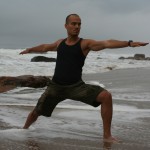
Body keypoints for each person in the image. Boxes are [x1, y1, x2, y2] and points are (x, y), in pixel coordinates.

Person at [20, 14, 149, 142]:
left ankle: (107, 136)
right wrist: (30, 49)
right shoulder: (60, 43)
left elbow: (107, 43)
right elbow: (44, 47)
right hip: (55, 87)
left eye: (79, 24)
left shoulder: (85, 44)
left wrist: (129, 43)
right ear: (66, 26)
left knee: (106, 96)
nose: (77, 26)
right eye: (74, 23)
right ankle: (23, 131)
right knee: (36, 112)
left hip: (76, 87)